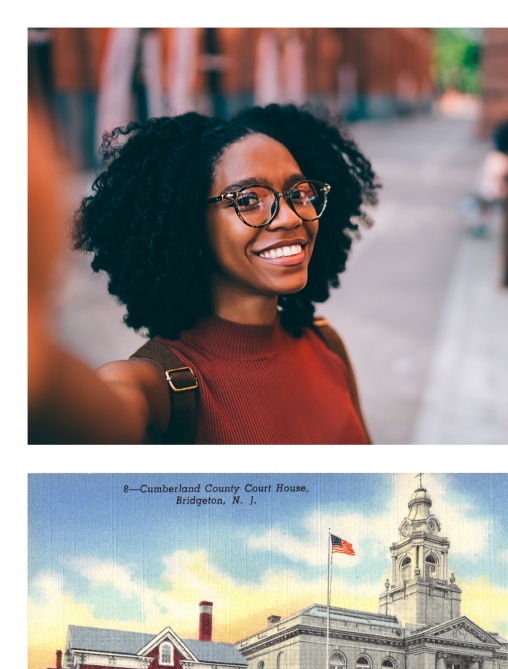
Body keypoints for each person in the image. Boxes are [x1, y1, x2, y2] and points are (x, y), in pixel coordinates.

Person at [64, 103, 378, 444]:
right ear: (191, 227)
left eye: (299, 193)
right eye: (247, 200)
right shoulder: (155, 389)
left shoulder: (326, 344)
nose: (290, 217)